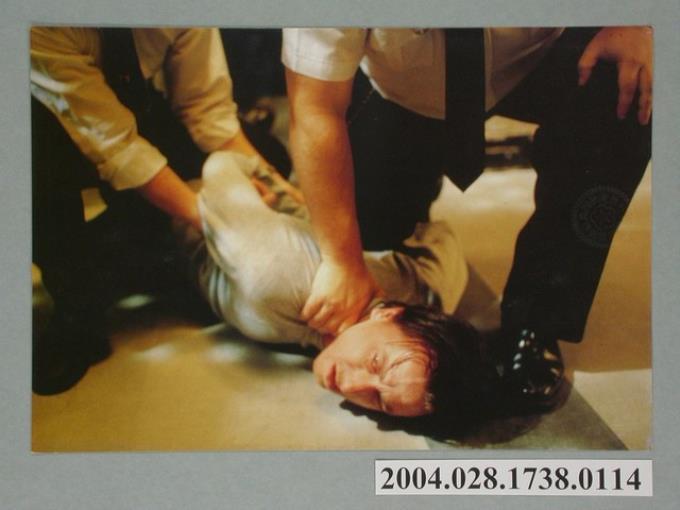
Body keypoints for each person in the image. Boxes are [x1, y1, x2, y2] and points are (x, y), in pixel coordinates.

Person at [282, 27, 652, 409]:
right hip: (396, 89)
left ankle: (538, 319)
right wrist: (342, 261)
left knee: (630, 82)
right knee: (367, 240)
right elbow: (315, 108)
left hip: (533, 61)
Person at [30, 27, 292, 395]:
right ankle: (75, 305)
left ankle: (137, 243)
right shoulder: (42, 23)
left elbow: (206, 110)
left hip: (137, 102)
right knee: (29, 161)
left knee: (268, 155)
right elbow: (116, 147)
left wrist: (281, 188)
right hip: (46, 120)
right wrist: (220, 222)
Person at [174, 151, 498, 419]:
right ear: (389, 313)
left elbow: (445, 246)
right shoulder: (276, 276)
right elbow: (221, 162)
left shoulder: (429, 303)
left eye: (380, 401)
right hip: (183, 182)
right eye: (375, 363)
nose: (353, 386)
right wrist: (267, 183)